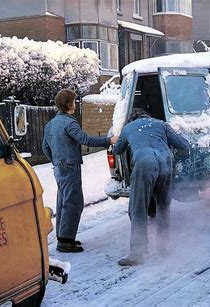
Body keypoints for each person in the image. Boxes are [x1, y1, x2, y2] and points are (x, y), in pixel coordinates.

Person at [42, 89, 118, 253]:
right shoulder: (70, 122)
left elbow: (45, 147)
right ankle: (65, 242)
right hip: (70, 166)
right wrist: (108, 140)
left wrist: (57, 160)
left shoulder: (51, 124)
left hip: (58, 167)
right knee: (74, 202)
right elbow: (85, 139)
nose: (75, 104)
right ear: (69, 103)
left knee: (63, 201)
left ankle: (63, 237)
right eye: (74, 101)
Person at [113, 110, 190, 266]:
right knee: (163, 206)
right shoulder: (161, 124)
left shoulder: (129, 127)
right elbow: (184, 145)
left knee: (138, 207)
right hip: (166, 163)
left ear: (132, 119)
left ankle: (137, 253)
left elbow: (117, 150)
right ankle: (163, 248)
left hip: (144, 164)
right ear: (148, 116)